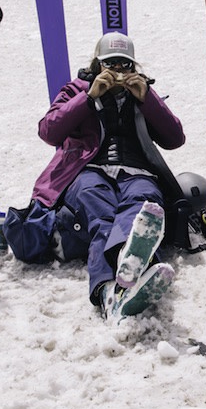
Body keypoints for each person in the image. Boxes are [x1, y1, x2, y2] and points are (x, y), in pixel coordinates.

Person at [30, 33, 186, 319]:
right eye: (111, 64)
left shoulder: (142, 93)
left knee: (144, 205)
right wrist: (88, 98)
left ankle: (124, 271)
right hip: (86, 171)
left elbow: (175, 138)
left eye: (125, 65)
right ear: (97, 65)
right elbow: (48, 131)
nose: (118, 72)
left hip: (137, 170)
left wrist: (148, 99)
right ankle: (118, 278)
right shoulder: (76, 89)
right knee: (98, 211)